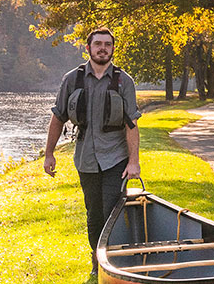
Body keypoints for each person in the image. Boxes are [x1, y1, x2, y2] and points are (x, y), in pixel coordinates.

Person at [44, 27, 142, 267]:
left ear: (113, 49)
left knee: (112, 208)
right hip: (86, 157)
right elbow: (58, 118)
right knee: (94, 212)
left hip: (116, 157)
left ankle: (111, 260)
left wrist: (133, 161)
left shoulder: (123, 81)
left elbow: (132, 124)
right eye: (98, 44)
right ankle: (97, 257)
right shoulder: (72, 79)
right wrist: (49, 154)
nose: (103, 48)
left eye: (107, 45)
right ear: (88, 48)